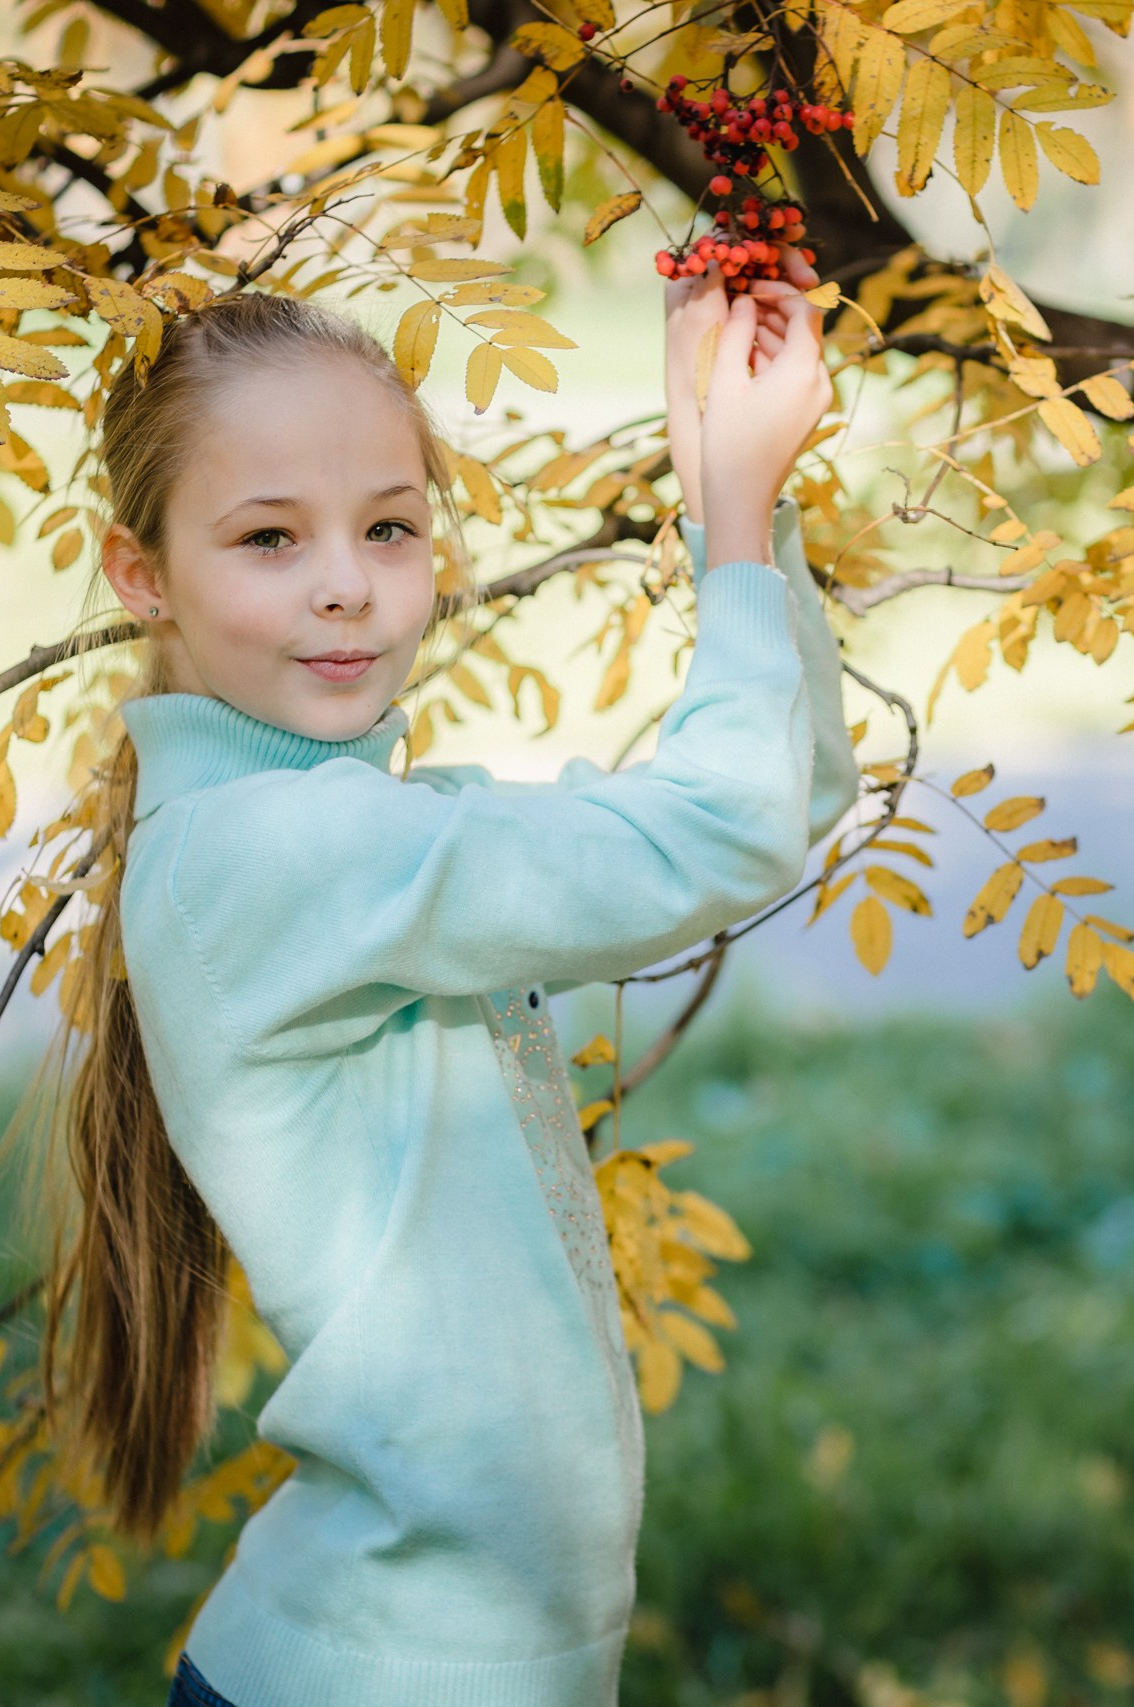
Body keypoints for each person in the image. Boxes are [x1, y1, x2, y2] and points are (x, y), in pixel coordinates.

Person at [45, 263, 858, 1707]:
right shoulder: (282, 856)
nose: (346, 580)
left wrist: (738, 501)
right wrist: (726, 510)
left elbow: (778, 798)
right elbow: (715, 836)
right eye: (270, 538)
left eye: (390, 527)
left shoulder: (346, 840)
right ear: (141, 574)